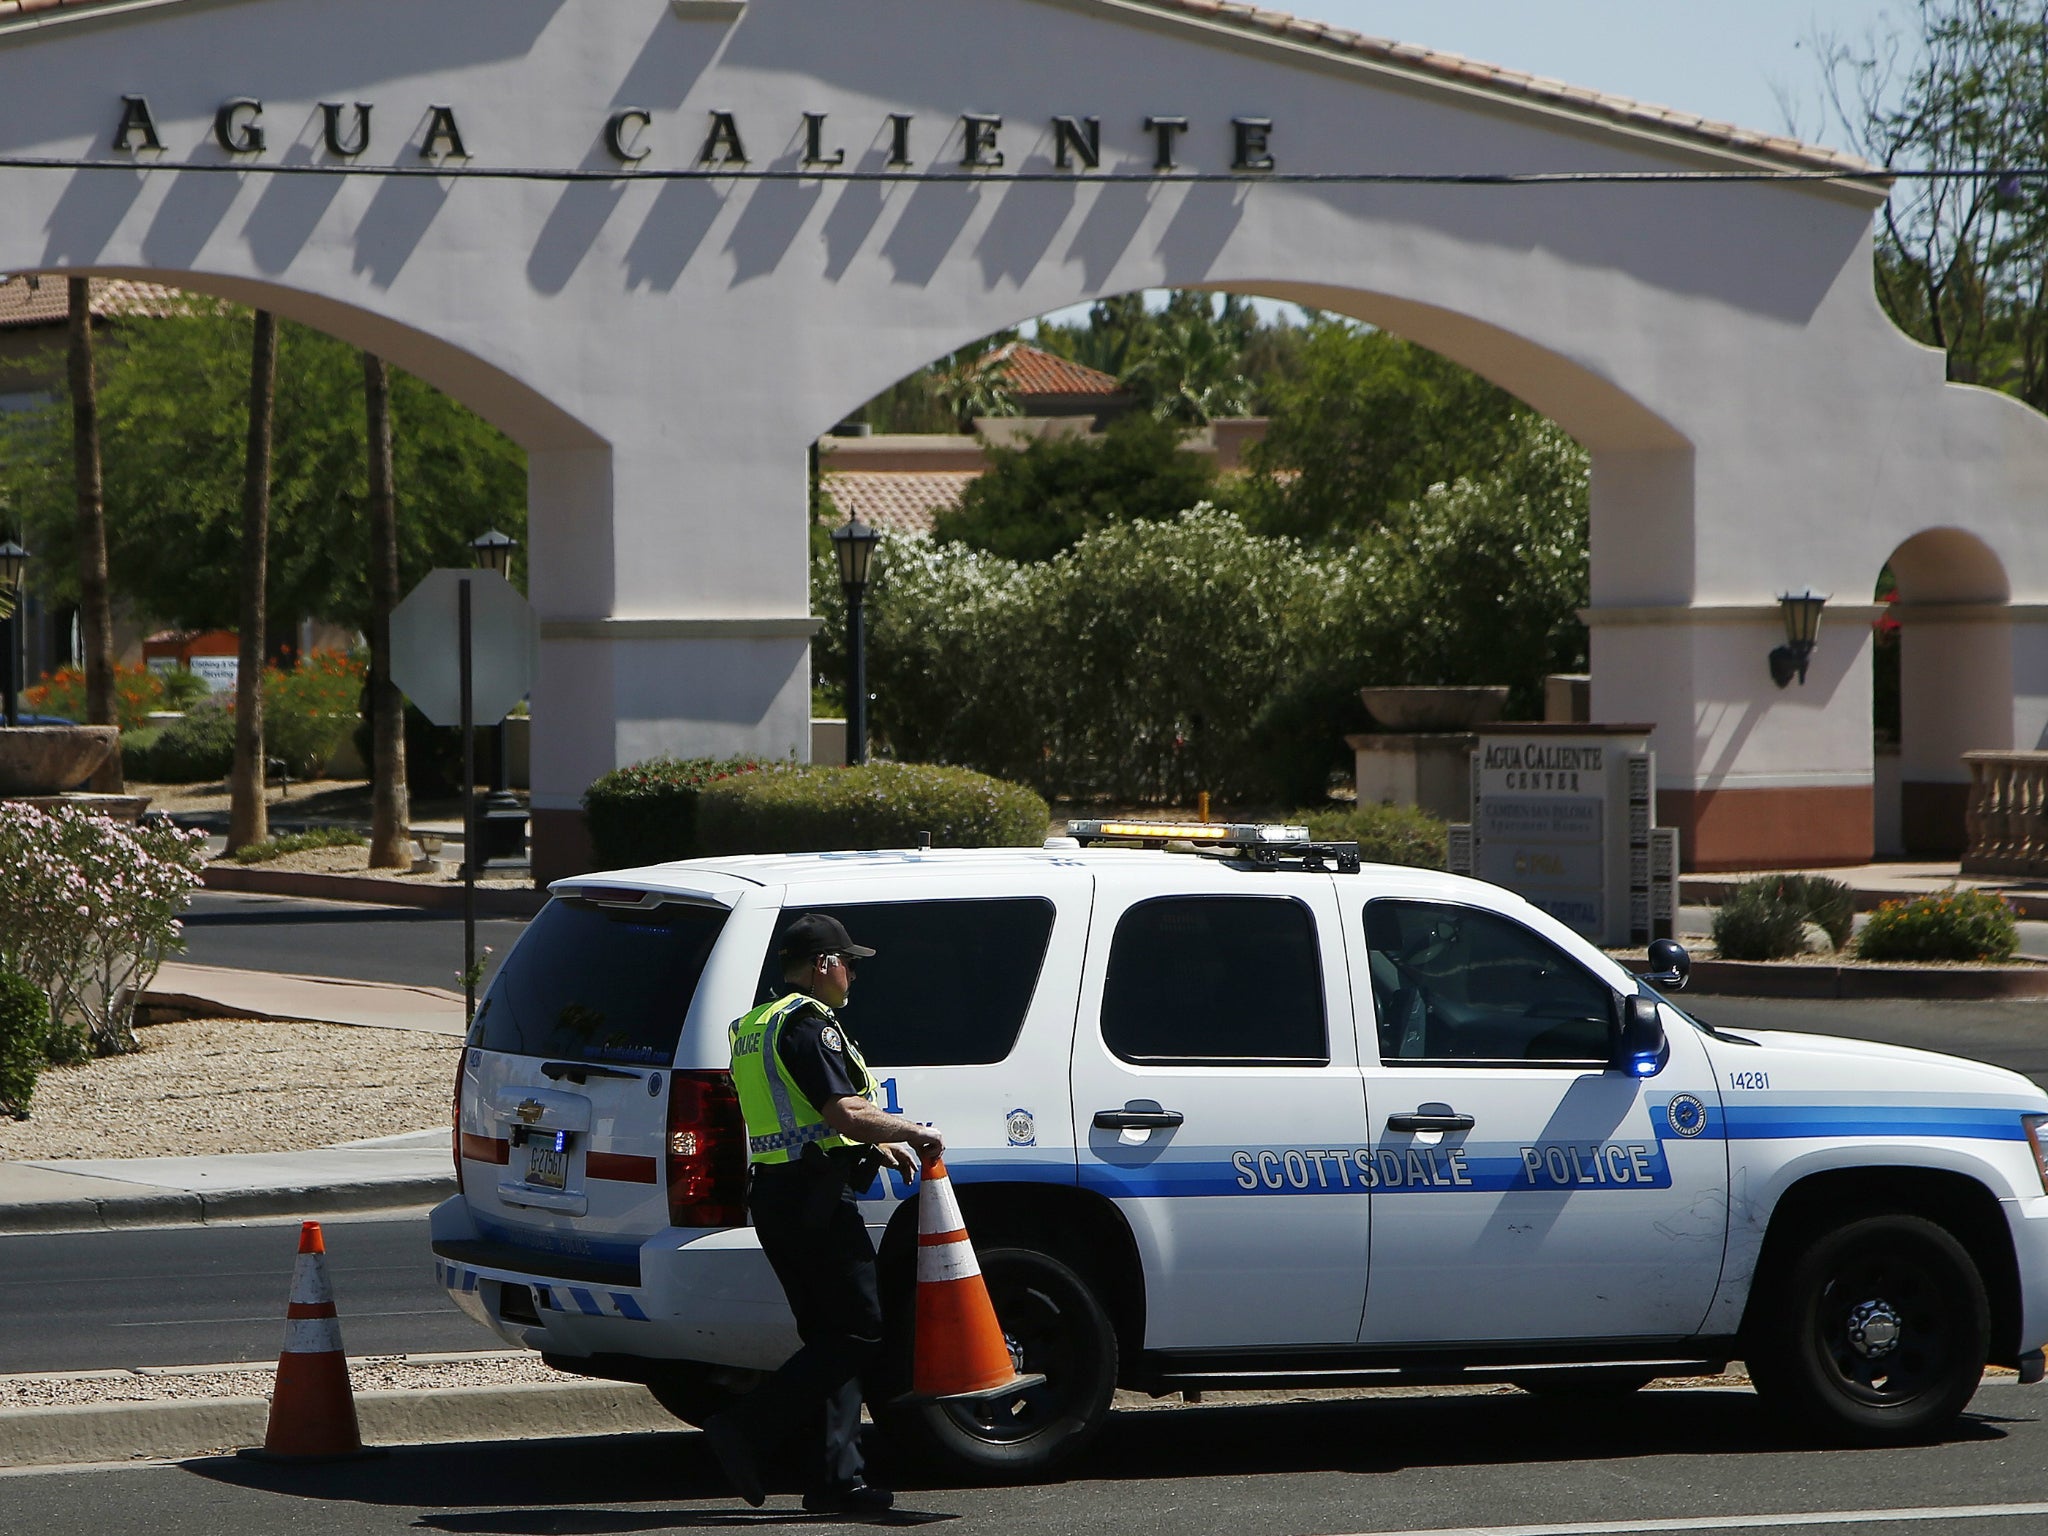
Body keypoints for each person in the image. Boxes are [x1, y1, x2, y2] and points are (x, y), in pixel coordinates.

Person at [703, 912, 945, 1514]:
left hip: (779, 1195)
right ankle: (747, 1428)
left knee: (832, 1336)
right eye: (849, 964)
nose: (852, 977)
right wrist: (910, 1130)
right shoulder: (811, 1026)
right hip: (813, 1198)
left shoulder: (754, 1024)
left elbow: (796, 1117)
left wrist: (871, 1142)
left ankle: (839, 1481)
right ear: (823, 965)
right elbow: (840, 1111)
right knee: (859, 1329)